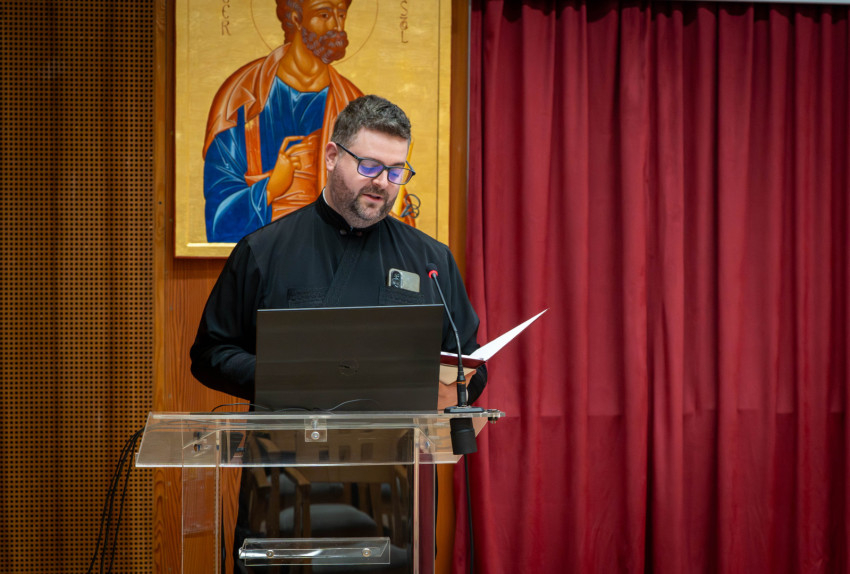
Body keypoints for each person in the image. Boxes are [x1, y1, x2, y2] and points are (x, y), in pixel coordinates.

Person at [191, 94, 486, 573]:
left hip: (391, 490)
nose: (382, 183)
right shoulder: (265, 250)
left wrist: (457, 385)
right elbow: (210, 353)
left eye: (396, 171)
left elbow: (467, 359)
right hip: (282, 481)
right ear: (332, 156)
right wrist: (294, 377)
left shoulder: (430, 260)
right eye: (370, 166)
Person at [202, 0, 363, 242]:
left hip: (330, 255)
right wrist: (270, 188)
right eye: (324, 14)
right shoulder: (242, 98)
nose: (338, 26)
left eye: (341, 14)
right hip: (261, 256)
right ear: (296, 18)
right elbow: (219, 216)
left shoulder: (353, 105)